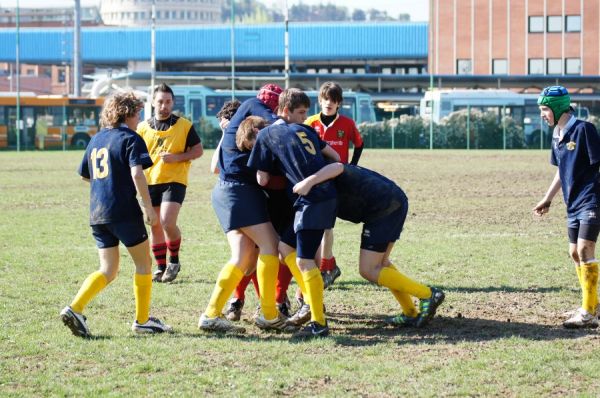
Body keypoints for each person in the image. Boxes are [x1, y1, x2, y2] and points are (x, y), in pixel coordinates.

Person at [60, 92, 172, 338]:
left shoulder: (96, 139)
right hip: (124, 212)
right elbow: (137, 174)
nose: (139, 118)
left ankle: (75, 308)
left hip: (98, 213)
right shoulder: (131, 138)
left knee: (108, 269)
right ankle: (142, 321)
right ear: (128, 113)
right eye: (138, 113)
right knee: (144, 264)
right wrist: (147, 208)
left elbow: (85, 175)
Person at [292, 161, 445, 328]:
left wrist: (309, 181)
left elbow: (338, 166)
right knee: (382, 264)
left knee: (369, 269)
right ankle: (410, 312)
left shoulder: (319, 173)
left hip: (385, 207)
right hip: (393, 201)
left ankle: (428, 294)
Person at [243, 88, 341, 338]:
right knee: (285, 248)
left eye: (305, 113)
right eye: (301, 113)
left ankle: (318, 321)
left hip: (312, 200)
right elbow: (334, 156)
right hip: (322, 196)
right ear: (286, 111)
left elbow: (262, 179)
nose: (303, 118)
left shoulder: (267, 134)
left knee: (304, 261)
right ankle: (312, 302)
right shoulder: (308, 130)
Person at [198, 83, 288, 333]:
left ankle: (211, 315)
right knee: (270, 245)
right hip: (239, 191)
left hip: (224, 190)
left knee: (243, 256)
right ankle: (269, 314)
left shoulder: (243, 116)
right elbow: (279, 126)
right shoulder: (256, 108)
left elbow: (215, 166)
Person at [533, 85, 599, 329]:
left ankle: (588, 313)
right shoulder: (557, 135)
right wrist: (547, 198)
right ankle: (592, 304)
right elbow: (561, 172)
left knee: (584, 250)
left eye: (544, 109)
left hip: (591, 199)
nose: (542, 114)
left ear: (557, 107)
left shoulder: (584, 130)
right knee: (574, 254)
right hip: (571, 204)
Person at [137, 83, 204, 283]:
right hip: (149, 182)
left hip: (174, 181)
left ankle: (174, 261)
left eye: (168, 102)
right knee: (154, 224)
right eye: (160, 102)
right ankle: (160, 267)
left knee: (167, 221)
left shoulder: (184, 125)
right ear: (153, 102)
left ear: (173, 102)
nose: (164, 106)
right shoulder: (142, 128)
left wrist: (178, 157)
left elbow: (198, 151)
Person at [305, 82, 364, 288]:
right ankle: (329, 266)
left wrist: (352, 167)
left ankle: (326, 267)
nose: (328, 103)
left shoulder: (347, 124)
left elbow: (359, 144)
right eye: (325, 99)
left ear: (339, 103)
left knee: (327, 227)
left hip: (338, 181)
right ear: (319, 100)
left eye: (333, 100)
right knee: (319, 227)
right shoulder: (310, 123)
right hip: (315, 181)